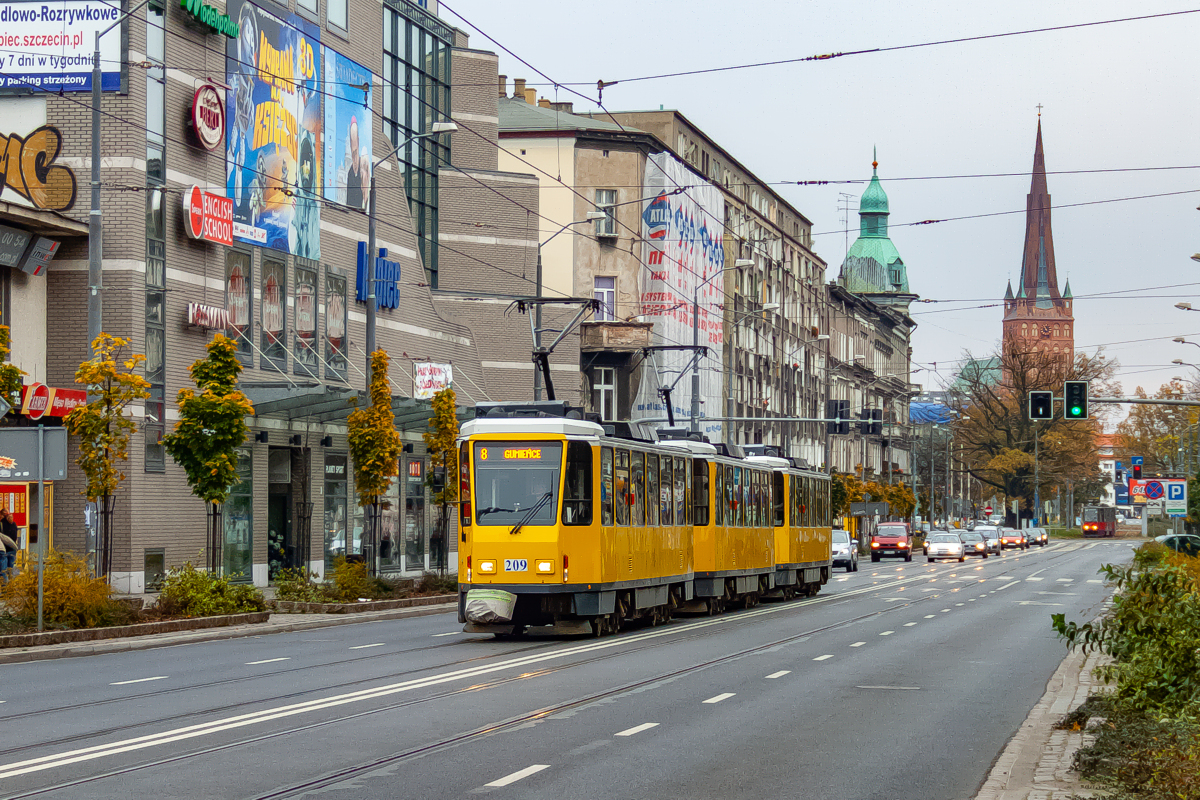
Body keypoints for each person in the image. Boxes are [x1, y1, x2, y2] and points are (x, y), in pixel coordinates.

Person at [0, 508, 18, 582]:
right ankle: (11, 583)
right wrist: (15, 547)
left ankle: (6, 585)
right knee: (10, 568)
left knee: (4, 570)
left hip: (4, 549)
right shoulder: (14, 524)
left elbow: (4, 538)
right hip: (10, 549)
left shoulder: (2, 524)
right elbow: (11, 539)